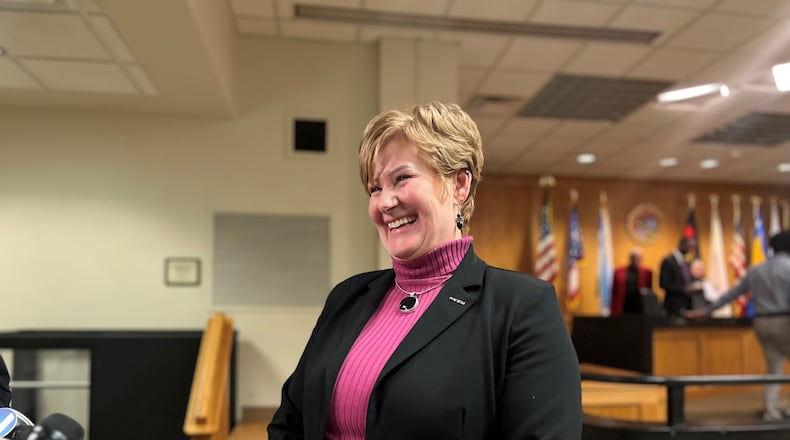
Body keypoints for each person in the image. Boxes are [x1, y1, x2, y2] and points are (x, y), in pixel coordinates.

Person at [267, 102, 582, 439]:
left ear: (459, 184)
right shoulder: (347, 297)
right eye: (375, 188)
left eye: (401, 178)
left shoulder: (522, 306)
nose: (385, 202)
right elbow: (290, 422)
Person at [684, 230, 790, 421]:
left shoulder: (756, 270)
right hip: (785, 321)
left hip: (761, 322)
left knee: (774, 367)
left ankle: (771, 410)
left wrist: (706, 310)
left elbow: (732, 294)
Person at [659, 237, 698, 316]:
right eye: (690, 246)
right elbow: (663, 283)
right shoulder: (668, 261)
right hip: (674, 304)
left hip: (689, 303)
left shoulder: (688, 260)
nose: (692, 249)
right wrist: (683, 289)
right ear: (682, 245)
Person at [611, 247, 653, 315]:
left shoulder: (647, 272)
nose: (636, 260)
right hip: (624, 304)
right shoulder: (619, 272)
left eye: (638, 257)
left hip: (640, 305)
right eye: (634, 257)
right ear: (630, 258)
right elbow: (614, 291)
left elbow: (649, 290)